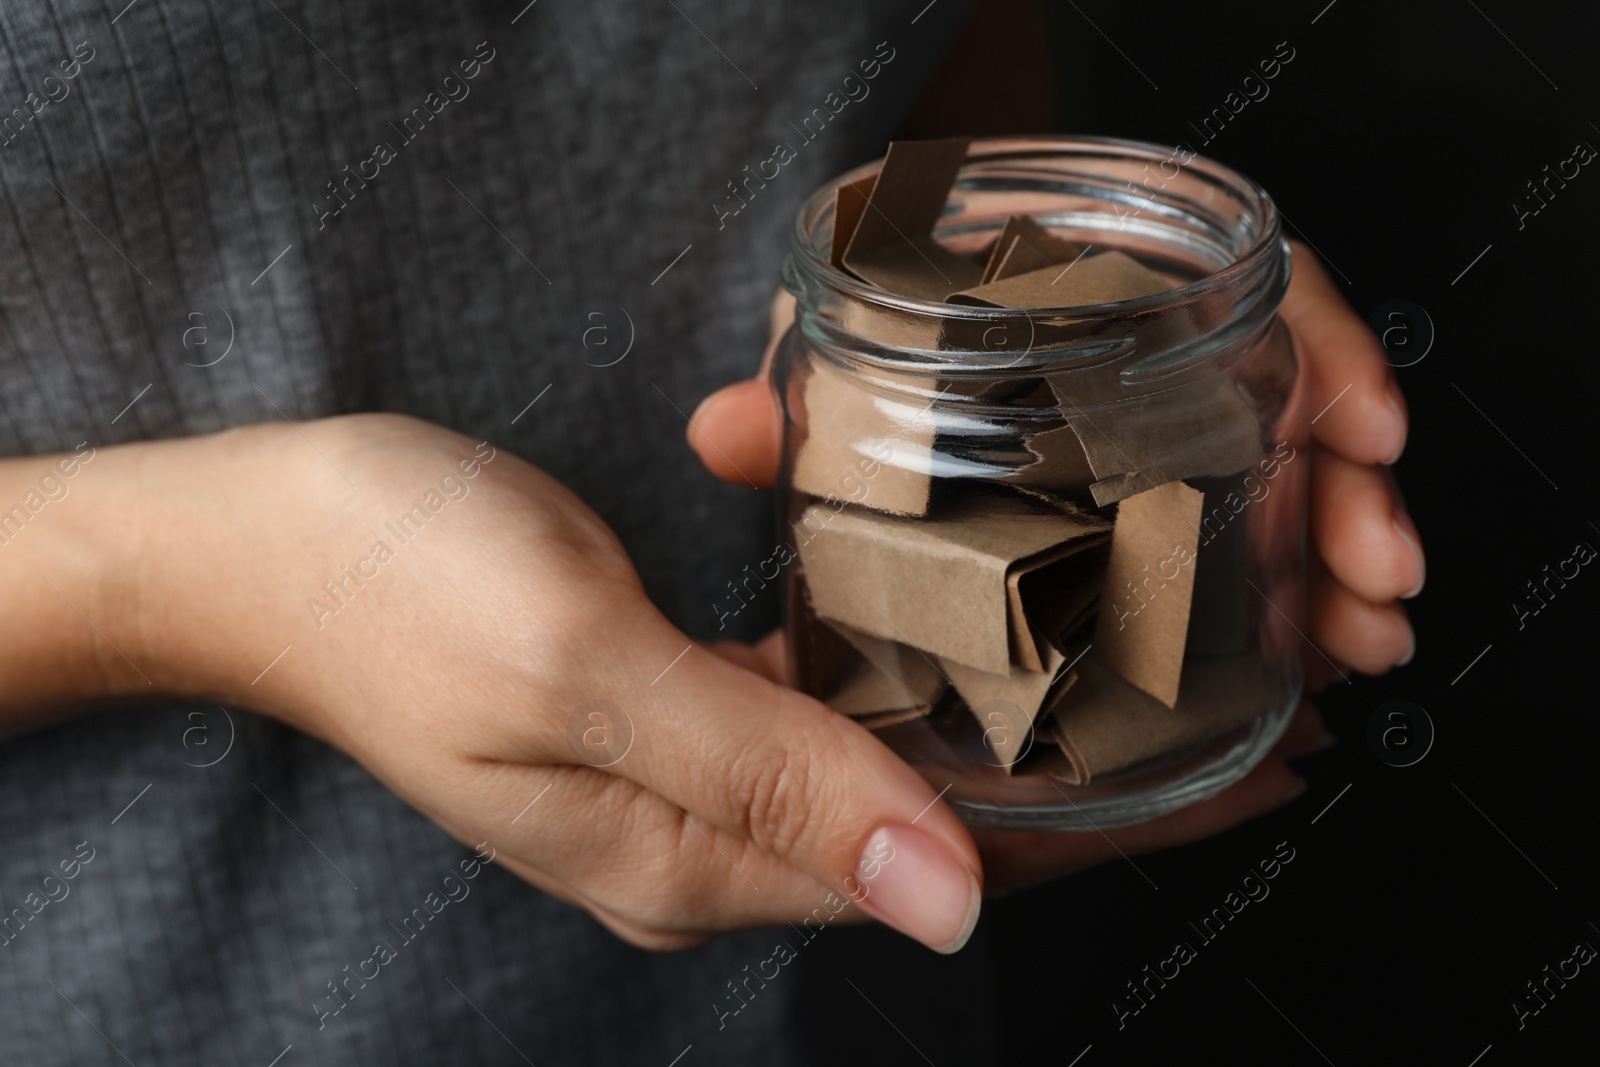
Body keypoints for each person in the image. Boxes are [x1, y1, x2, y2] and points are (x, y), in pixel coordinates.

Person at [0, 0, 1421, 1061]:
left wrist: (1029, 286)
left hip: (878, 998)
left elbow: (932, 52)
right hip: (209, 984)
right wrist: (230, 582)